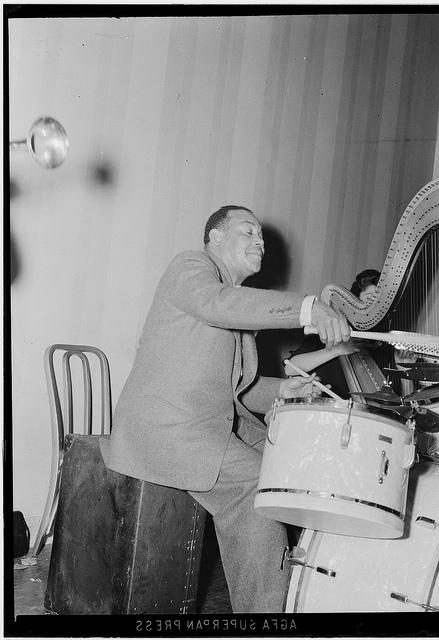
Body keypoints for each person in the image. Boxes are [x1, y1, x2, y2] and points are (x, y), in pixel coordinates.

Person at [101, 205, 350, 613]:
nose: (260, 242)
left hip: (200, 428)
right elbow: (218, 303)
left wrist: (284, 387)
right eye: (247, 232)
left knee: (283, 467)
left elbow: (236, 389)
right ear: (215, 237)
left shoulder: (233, 308)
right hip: (165, 428)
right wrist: (307, 308)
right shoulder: (191, 267)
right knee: (260, 483)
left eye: (262, 237)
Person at [284, 269, 381, 397]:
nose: (373, 305)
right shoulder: (329, 330)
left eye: (377, 301)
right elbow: (290, 368)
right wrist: (336, 350)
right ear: (354, 304)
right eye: (369, 298)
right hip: (321, 407)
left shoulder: (376, 343)